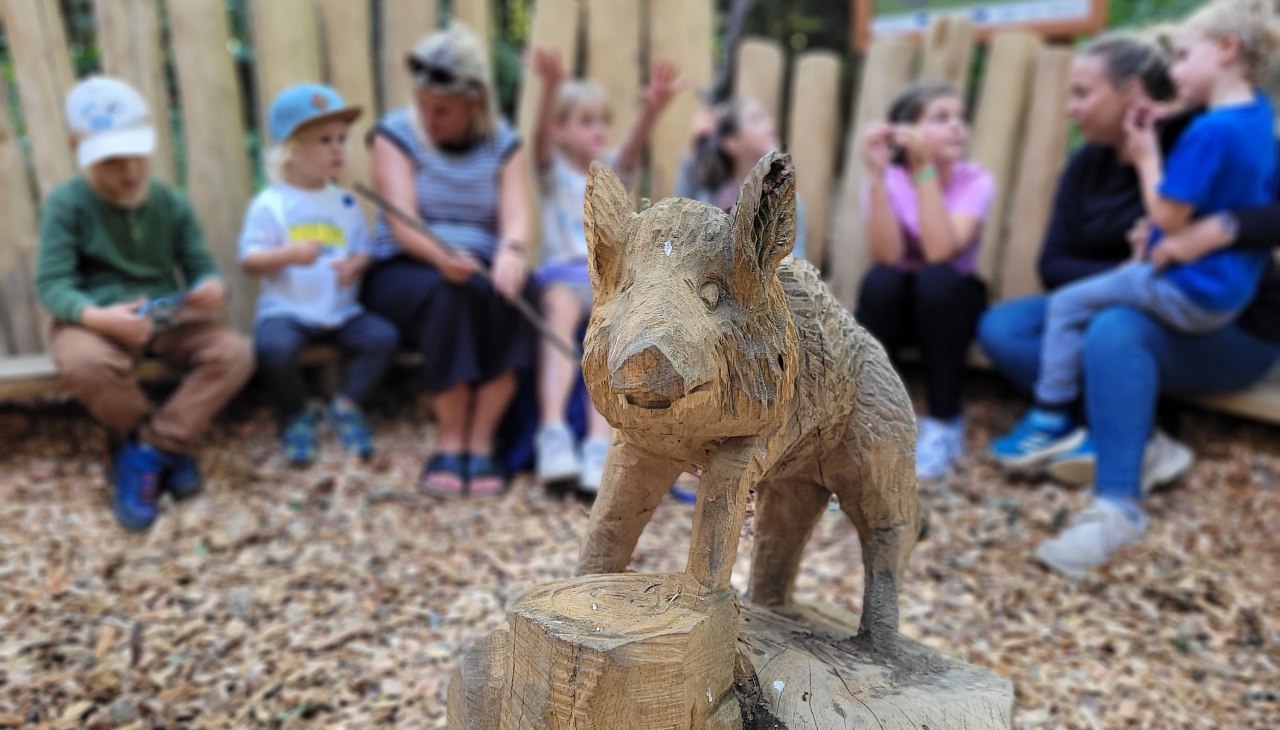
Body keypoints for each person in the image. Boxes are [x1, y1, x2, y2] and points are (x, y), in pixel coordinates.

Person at [979, 20, 1280, 576]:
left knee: (1112, 325)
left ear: (1134, 91)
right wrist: (1135, 263)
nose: (1072, 108)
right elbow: (1054, 265)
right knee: (1004, 326)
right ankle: (1136, 433)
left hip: (1230, 322)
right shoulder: (1089, 162)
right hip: (1151, 285)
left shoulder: (1206, 130)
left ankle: (1116, 503)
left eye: (1083, 92)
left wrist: (1221, 228)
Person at [36, 76, 254, 531]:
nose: (129, 168)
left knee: (234, 353)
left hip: (164, 314)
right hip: (93, 319)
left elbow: (199, 263)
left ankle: (150, 451)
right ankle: (160, 448)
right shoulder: (66, 203)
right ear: (77, 147)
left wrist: (210, 285)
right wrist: (99, 318)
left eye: (137, 153)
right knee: (86, 364)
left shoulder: (170, 202)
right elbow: (53, 285)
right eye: (112, 159)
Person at [363, 23, 534, 498]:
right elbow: (403, 223)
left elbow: (517, 216)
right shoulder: (394, 134)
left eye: (442, 110)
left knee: (522, 292)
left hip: (476, 267)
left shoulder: (503, 141)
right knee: (448, 295)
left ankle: (480, 442)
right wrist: (440, 255)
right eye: (422, 105)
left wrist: (512, 254)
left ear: (474, 102)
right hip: (405, 266)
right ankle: (449, 441)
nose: (428, 117)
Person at [528, 47, 681, 492]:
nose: (598, 130)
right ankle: (552, 433)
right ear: (559, 131)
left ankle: (599, 444)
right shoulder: (551, 172)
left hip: (605, 284)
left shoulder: (607, 172)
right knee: (559, 312)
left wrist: (650, 111)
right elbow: (537, 140)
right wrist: (551, 89)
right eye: (584, 121)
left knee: (612, 331)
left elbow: (630, 152)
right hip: (561, 274)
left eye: (602, 121)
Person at [238, 83, 399, 467]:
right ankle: (296, 414)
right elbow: (249, 260)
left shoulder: (344, 202)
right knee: (273, 348)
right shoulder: (271, 203)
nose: (338, 149)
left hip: (340, 311)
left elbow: (364, 247)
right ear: (292, 148)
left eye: (342, 139)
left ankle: (346, 404)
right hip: (288, 310)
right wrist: (289, 254)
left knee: (383, 337)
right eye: (324, 140)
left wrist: (357, 264)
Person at [857, 81, 995, 480]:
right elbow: (886, 256)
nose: (957, 127)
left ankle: (944, 422)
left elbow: (940, 252)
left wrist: (924, 172)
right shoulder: (886, 179)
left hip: (953, 304)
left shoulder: (975, 180)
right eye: (941, 118)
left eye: (959, 117)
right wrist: (879, 178)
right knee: (880, 281)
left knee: (936, 279)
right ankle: (870, 416)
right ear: (906, 132)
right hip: (903, 304)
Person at [676, 97, 808, 262]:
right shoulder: (710, 198)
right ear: (731, 142)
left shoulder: (788, 200)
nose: (770, 125)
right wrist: (693, 146)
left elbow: (798, 265)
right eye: (756, 118)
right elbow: (678, 225)